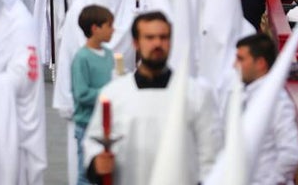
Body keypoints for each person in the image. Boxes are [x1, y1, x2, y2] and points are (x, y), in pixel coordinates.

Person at [84, 12, 221, 185]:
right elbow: (94, 142)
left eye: (163, 37)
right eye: (149, 38)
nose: (157, 43)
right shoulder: (113, 94)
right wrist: (97, 163)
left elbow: (210, 156)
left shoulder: (196, 93)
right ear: (136, 43)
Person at [235, 33, 298, 185]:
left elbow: (292, 153)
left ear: (260, 63)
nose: (235, 65)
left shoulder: (278, 101)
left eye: (241, 59)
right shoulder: (244, 93)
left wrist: (268, 182)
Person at [71, 5, 115, 185]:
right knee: (86, 173)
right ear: (95, 29)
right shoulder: (82, 58)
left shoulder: (110, 55)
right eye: (109, 25)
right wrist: (108, 93)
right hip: (87, 124)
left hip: (106, 125)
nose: (113, 30)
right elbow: (82, 93)